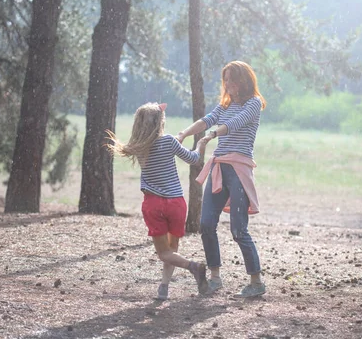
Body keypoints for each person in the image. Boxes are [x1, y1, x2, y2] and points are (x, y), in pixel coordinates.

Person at [177, 60, 267, 298]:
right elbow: (207, 119)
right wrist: (185, 133)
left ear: (244, 81)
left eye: (232, 79)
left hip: (238, 170)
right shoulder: (224, 105)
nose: (228, 84)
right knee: (206, 223)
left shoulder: (254, 103)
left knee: (239, 230)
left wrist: (212, 135)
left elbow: (234, 124)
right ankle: (215, 277)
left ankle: (256, 282)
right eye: (225, 79)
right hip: (219, 169)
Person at [106, 102, 210, 300]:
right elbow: (194, 159)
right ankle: (164, 287)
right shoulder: (169, 141)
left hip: (154, 204)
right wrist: (200, 146)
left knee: (164, 253)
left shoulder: (137, 147)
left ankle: (192, 267)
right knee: (172, 249)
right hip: (176, 203)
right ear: (160, 122)